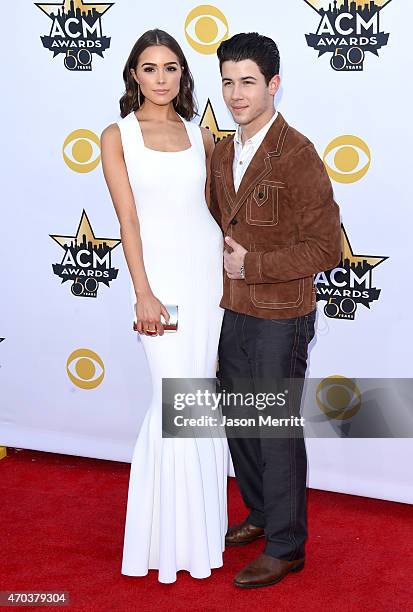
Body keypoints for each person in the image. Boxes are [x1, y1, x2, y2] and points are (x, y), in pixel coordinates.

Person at [209, 32, 341, 588]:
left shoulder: (298, 153)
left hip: (281, 313)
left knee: (275, 428)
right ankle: (262, 513)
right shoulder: (220, 150)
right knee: (241, 420)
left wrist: (253, 266)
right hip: (233, 311)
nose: (237, 95)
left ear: (273, 86)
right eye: (228, 83)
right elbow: (219, 225)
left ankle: (287, 545)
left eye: (248, 83)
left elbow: (326, 249)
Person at [100, 29, 228, 584]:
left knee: (197, 395)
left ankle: (200, 536)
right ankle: (165, 540)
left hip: (207, 278)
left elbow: (207, 211)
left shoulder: (198, 134)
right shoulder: (117, 135)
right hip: (161, 281)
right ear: (134, 75)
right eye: (150, 68)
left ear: (182, 75)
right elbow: (129, 220)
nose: (161, 78)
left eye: (171, 68)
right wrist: (143, 291)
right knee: (173, 397)